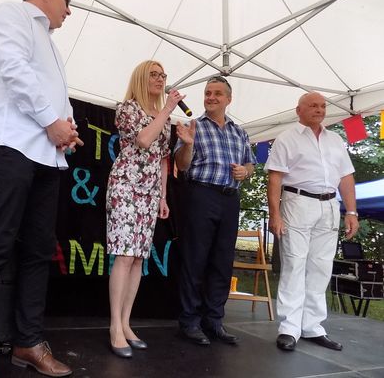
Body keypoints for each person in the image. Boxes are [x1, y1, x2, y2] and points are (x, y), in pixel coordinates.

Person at [0, 0, 82, 377]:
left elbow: (53, 95)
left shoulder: (50, 43)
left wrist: (67, 128)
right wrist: (52, 121)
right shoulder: (11, 14)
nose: (69, 10)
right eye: (67, 0)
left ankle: (27, 342)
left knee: (38, 251)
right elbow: (14, 71)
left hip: (47, 155)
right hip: (12, 145)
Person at [265, 91, 359, 352]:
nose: (319, 110)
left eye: (323, 106)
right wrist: (275, 214)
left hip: (329, 204)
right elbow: (275, 178)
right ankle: (289, 327)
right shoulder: (287, 138)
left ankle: (312, 326)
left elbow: (346, 177)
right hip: (297, 202)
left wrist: (352, 212)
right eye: (313, 106)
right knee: (295, 263)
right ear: (299, 110)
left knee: (321, 266)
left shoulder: (335, 139)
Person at [106, 60, 183, 358]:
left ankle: (126, 323)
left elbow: (163, 158)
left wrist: (163, 196)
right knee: (125, 255)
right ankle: (114, 326)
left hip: (150, 192)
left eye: (163, 75)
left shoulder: (163, 116)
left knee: (139, 258)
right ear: (141, 78)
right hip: (126, 185)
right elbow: (143, 139)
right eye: (154, 74)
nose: (160, 79)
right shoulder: (128, 108)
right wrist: (167, 109)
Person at [175, 76, 256, 346]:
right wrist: (188, 144)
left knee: (222, 262)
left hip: (230, 199)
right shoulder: (193, 127)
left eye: (217, 93)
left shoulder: (239, 132)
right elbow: (182, 165)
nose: (211, 97)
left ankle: (214, 321)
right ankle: (189, 321)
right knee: (195, 260)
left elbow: (250, 164)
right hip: (202, 195)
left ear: (228, 99)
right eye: (208, 92)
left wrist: (245, 171)